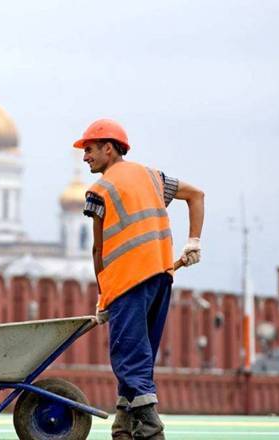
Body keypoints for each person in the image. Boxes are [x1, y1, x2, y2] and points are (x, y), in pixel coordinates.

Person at [75, 119, 204, 440]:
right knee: (140, 355)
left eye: (89, 150)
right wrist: (193, 242)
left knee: (129, 355)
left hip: (127, 284)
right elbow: (197, 195)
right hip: (161, 277)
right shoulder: (153, 177)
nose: (85, 157)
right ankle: (124, 425)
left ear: (109, 148)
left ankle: (149, 429)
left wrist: (103, 296)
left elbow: (98, 249)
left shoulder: (99, 191)